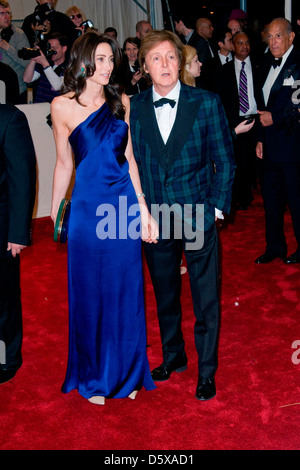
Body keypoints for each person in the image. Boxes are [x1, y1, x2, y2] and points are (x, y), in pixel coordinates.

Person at [50, 31, 158, 405]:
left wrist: (143, 209)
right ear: (82, 60)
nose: (107, 66)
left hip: (122, 208)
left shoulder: (121, 101)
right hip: (85, 209)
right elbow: (64, 164)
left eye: (111, 59)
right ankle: (94, 377)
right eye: (100, 58)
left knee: (125, 292)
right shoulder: (61, 106)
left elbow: (129, 160)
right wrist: (54, 210)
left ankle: (127, 373)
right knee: (90, 295)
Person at [130, 30, 235, 401]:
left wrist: (216, 209)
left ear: (180, 61)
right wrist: (140, 212)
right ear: (144, 66)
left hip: (198, 214)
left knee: (205, 297)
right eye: (155, 58)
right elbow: (133, 165)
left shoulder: (205, 103)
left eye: (171, 57)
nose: (165, 65)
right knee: (165, 294)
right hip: (155, 218)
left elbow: (224, 159)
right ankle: (174, 356)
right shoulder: (135, 106)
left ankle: (206, 371)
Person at [255, 18, 300, 264]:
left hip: (293, 147)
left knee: (296, 200)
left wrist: (277, 118)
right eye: (270, 36)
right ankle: (275, 247)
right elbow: (262, 107)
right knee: (270, 201)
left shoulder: (298, 63)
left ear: (291, 37)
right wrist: (261, 139)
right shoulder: (264, 64)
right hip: (270, 146)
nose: (273, 41)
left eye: (278, 36)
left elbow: (299, 104)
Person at [0, 104, 36, 384]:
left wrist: (18, 233)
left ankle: (7, 358)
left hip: (1, 228)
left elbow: (22, 178)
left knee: (4, 297)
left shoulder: (10, 118)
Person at [216, 31, 259, 210]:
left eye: (247, 42)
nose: (245, 46)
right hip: (235, 121)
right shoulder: (224, 71)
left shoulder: (259, 66)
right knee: (237, 160)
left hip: (256, 119)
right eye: (240, 43)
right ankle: (241, 196)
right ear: (233, 46)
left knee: (256, 159)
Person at [23, 32, 68, 103]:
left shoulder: (69, 67)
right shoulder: (46, 63)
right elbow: (27, 79)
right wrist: (33, 58)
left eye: (54, 48)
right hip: (40, 106)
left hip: (57, 108)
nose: (51, 50)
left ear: (64, 48)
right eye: (49, 47)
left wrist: (45, 64)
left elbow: (58, 86)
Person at [0, 1, 31, 104]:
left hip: (17, 90)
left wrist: (8, 48)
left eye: (8, 13)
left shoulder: (19, 34)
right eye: (2, 13)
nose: (6, 17)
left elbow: (27, 62)